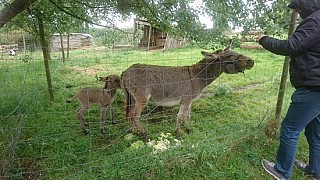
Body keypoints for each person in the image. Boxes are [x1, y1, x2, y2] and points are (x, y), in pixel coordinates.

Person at [256, 0, 320, 179]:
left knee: (290, 128)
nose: (297, 12)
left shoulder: (315, 21)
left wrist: (264, 39)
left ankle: (281, 171)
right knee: (315, 131)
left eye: (298, 7)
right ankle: (316, 171)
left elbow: (290, 46)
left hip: (313, 86)